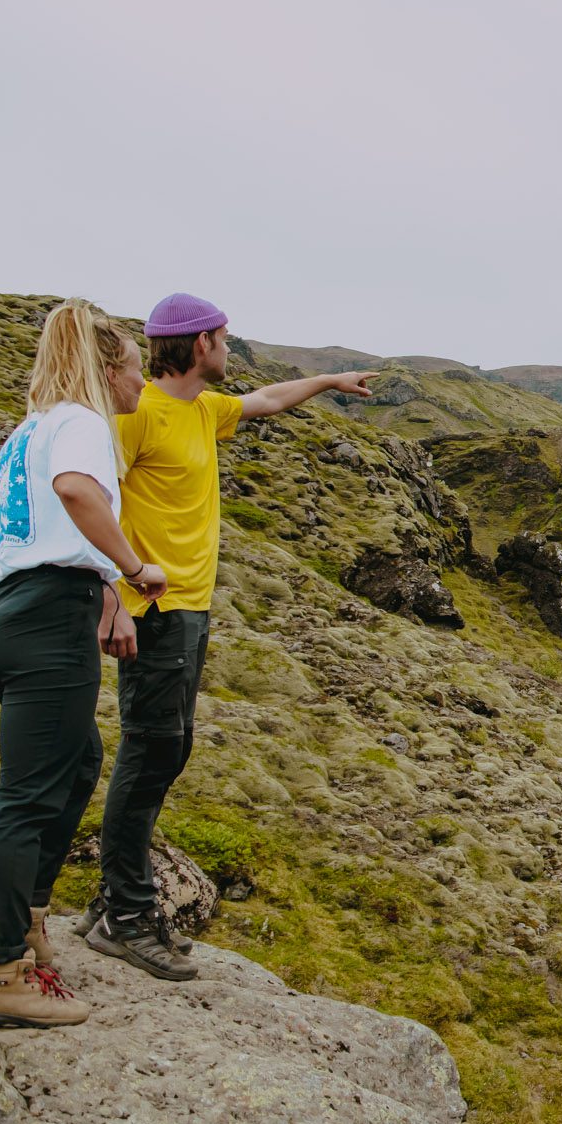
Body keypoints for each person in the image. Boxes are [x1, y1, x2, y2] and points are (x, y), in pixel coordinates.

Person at [81, 293, 374, 980]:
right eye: (223, 338)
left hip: (190, 609)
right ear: (201, 343)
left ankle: (118, 901)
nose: (229, 348)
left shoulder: (203, 410)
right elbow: (92, 498)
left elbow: (269, 399)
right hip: (152, 609)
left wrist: (330, 382)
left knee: (169, 748)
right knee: (149, 751)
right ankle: (122, 914)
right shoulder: (138, 414)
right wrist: (112, 596)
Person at [0, 301, 167, 1030]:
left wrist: (99, 589)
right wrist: (133, 567)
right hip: (48, 623)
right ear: (110, 369)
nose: (141, 384)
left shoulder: (29, 429)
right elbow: (77, 494)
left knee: (77, 761)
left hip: (11, 614)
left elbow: (41, 523)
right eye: (136, 369)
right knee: (28, 793)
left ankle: (29, 922)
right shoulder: (82, 420)